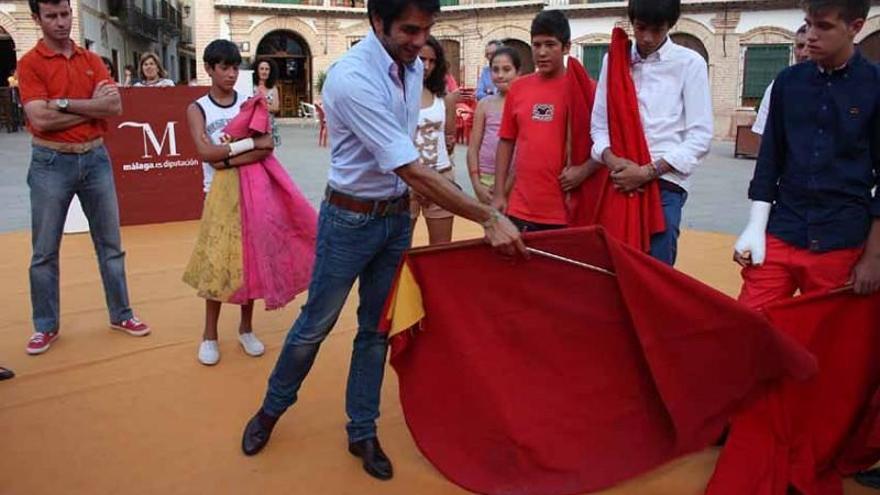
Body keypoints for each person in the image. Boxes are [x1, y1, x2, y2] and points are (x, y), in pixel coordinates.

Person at [239, 0, 524, 481]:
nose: (420, 42)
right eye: (410, 30)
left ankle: (362, 431)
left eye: (426, 30)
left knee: (375, 330)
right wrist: (486, 216)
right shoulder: (352, 78)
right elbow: (408, 165)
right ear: (377, 22)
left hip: (396, 219)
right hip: (348, 221)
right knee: (315, 325)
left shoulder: (410, 68)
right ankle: (271, 409)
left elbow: (415, 161)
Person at [18, 0, 150, 355]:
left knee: (110, 245)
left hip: (95, 158)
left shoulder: (91, 60)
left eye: (65, 14)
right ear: (37, 18)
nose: (61, 23)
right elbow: (39, 119)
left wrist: (61, 103)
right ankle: (45, 326)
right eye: (52, 16)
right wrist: (86, 105)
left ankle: (121, 314)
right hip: (50, 161)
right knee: (44, 251)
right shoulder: (29, 63)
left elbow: (114, 107)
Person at [733, 0, 880, 310]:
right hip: (784, 230)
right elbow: (770, 160)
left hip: (841, 240)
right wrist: (755, 228)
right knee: (749, 322)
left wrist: (873, 258)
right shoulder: (788, 82)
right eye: (808, 23)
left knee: (825, 342)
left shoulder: (875, 86)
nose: (810, 35)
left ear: (855, 27)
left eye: (823, 26)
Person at [184, 40, 316, 366]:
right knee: (216, 265)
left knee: (252, 262)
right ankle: (209, 335)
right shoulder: (197, 108)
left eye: (234, 68)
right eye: (223, 68)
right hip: (214, 194)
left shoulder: (248, 102)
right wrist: (243, 147)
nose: (230, 74)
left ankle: (246, 329)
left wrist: (226, 156)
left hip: (252, 192)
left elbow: (267, 145)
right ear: (209, 69)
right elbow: (204, 153)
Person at [591, 0, 713, 265]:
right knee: (614, 263)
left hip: (666, 182)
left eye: (656, 30)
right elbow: (599, 126)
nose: (646, 38)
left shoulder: (689, 64)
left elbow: (700, 137)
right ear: (632, 22)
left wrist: (645, 172)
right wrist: (613, 161)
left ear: (670, 25)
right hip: (620, 178)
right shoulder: (613, 60)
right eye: (640, 27)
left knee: (656, 268)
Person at [493, 11, 597, 232]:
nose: (542, 52)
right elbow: (506, 142)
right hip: (520, 207)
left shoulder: (586, 89)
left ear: (567, 47)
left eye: (550, 45)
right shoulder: (518, 88)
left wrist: (584, 170)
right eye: (536, 45)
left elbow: (606, 143)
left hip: (566, 209)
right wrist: (500, 193)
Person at [410, 36, 458, 245]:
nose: (427, 66)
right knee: (398, 254)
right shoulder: (395, 93)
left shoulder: (443, 96)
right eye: (422, 59)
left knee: (440, 251)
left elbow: (449, 140)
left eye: (432, 61)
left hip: (441, 177)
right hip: (406, 181)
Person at [467, 46, 521, 205]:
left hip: (515, 180)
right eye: (495, 70)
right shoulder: (484, 105)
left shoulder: (524, 105)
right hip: (485, 178)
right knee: (491, 227)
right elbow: (473, 148)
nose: (500, 75)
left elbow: (523, 150)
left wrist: (504, 189)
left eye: (507, 69)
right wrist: (477, 185)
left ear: (518, 72)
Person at [752, 24, 810, 136]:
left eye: (811, 46)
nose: (804, 53)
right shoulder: (779, 85)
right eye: (800, 46)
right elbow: (762, 132)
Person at [252, 58, 281, 146]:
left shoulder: (273, 89)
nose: (264, 72)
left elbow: (275, 108)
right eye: (261, 69)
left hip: (269, 125)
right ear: (257, 71)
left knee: (269, 153)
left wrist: (258, 103)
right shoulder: (251, 87)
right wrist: (266, 104)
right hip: (253, 125)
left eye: (267, 69)